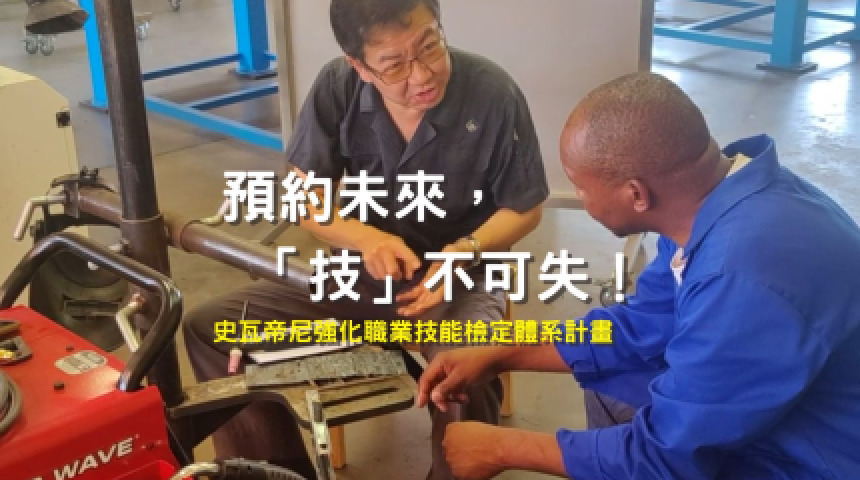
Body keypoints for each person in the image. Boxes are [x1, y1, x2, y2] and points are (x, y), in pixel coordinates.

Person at [416, 72, 860, 479]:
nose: (580, 200)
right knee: (611, 388)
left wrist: (501, 449)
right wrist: (501, 352)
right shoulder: (715, 205)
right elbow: (641, 325)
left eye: (581, 187)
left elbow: (668, 456)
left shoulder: (742, 275)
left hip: (816, 457)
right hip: (783, 406)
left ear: (636, 194)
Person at [182, 0, 548, 478]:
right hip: (358, 276)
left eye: (430, 46)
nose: (422, 75)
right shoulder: (338, 86)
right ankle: (276, 471)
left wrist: (465, 251)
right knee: (212, 328)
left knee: (466, 367)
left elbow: (525, 206)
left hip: (457, 279)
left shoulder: (492, 93)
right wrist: (364, 239)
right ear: (359, 66)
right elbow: (303, 196)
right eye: (395, 65)